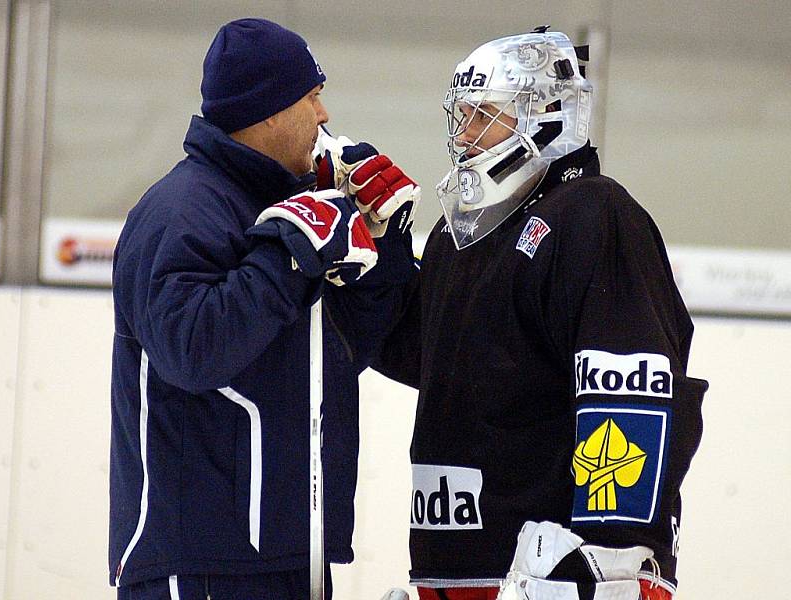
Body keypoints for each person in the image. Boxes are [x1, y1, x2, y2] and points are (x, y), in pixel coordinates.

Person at [374, 27, 708, 600]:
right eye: (462, 117)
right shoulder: (457, 238)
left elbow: (629, 380)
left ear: (547, 116)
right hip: (450, 566)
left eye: (486, 116)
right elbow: (431, 359)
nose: (467, 136)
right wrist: (375, 259)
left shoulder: (594, 217)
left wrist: (608, 554)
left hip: (554, 574)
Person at [109, 18, 418, 600]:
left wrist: (388, 244)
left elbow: (343, 353)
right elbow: (190, 351)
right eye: (312, 96)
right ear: (269, 110)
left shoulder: (293, 209)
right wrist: (288, 254)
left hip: (290, 557)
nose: (325, 115)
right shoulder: (181, 209)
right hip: (198, 564)